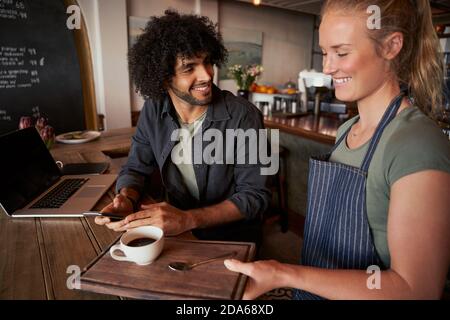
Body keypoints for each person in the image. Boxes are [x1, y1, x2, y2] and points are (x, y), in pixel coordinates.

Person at [225, 0, 450, 299]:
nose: (327, 67)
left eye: (341, 52)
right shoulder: (347, 130)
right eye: (326, 52)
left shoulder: (416, 143)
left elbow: (417, 289)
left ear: (391, 46)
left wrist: (285, 274)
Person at [95, 10, 271, 245]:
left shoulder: (244, 116)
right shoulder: (153, 110)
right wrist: (126, 197)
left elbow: (256, 196)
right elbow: (136, 167)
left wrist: (188, 219)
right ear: (164, 77)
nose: (207, 75)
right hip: (177, 236)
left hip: (232, 239)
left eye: (207, 62)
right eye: (189, 68)